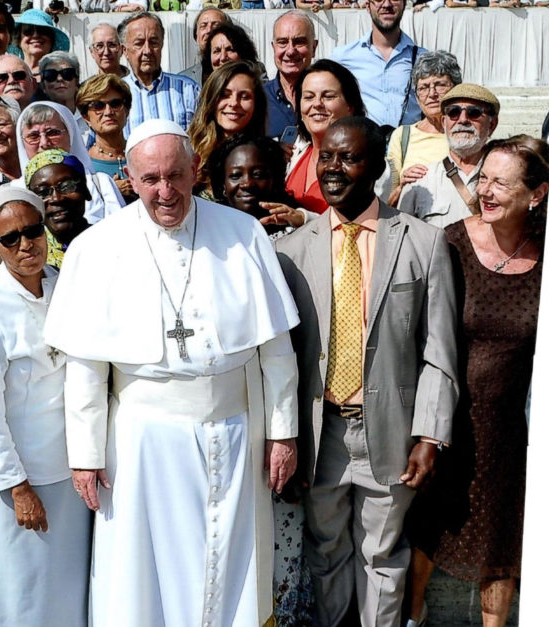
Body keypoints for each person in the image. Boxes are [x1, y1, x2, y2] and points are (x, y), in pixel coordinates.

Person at [44, 118, 300, 626]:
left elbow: (276, 350)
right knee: (143, 573)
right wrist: (86, 454)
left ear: (195, 169)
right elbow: (87, 368)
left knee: (230, 563)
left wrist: (283, 433)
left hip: (234, 433)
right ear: (129, 178)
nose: (165, 192)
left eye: (176, 176)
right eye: (151, 179)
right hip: (141, 445)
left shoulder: (243, 232)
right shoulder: (97, 248)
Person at [276, 116, 459, 627]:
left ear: (378, 166)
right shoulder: (291, 251)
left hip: (391, 431)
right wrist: (284, 436)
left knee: (382, 555)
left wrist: (430, 433)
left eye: (348, 157)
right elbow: (282, 359)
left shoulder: (423, 243)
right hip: (321, 432)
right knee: (326, 548)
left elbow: (439, 350)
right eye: (326, 157)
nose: (333, 169)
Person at [406, 135, 547, 627]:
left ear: (537, 194)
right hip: (448, 421)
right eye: (482, 177)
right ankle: (412, 617)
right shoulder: (450, 242)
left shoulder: (547, 254)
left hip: (513, 429)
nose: (484, 190)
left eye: (500, 183)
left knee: (502, 537)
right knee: (430, 527)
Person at [0, 186, 89, 626]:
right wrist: (17, 486)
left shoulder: (62, 283)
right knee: (17, 597)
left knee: (61, 592)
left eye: (33, 232)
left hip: (66, 470)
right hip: (14, 480)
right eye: (10, 238)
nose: (25, 245)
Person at [398, 84, 500, 229]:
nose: (463, 120)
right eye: (453, 112)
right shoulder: (419, 181)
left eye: (474, 113)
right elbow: (402, 239)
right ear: (444, 123)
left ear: (492, 124)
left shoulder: (507, 180)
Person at [331, 0, 421, 129]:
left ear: (404, 4)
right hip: (363, 149)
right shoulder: (342, 57)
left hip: (411, 150)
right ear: (368, 6)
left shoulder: (423, 58)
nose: (386, 4)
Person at [16, 101, 124, 222]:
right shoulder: (14, 192)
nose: (44, 143)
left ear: (71, 135)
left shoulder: (101, 184)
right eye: (34, 136)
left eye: (53, 133)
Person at [286, 59, 368, 214]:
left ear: (350, 106)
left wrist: (304, 219)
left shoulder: (365, 163)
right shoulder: (290, 157)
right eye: (309, 97)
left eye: (328, 96)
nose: (317, 104)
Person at [385, 50, 461, 206]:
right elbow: (387, 201)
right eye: (424, 87)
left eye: (440, 85)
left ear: (456, 89)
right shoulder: (402, 136)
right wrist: (403, 186)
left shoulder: (466, 132)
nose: (431, 94)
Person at [188, 61, 268, 198]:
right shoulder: (187, 149)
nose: (234, 103)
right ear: (211, 100)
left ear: (256, 104)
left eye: (244, 97)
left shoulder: (266, 155)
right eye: (225, 95)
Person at [211, 135, 305, 241]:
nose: (247, 184)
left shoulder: (297, 222)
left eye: (258, 174)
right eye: (236, 176)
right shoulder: (208, 225)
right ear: (223, 184)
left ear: (275, 178)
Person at [120, 12, 200, 136]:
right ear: (125, 51)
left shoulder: (188, 89)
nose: (147, 51)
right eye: (139, 43)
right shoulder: (115, 93)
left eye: (153, 42)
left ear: (162, 44)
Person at [24, 149, 93, 268]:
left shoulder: (112, 242)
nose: (56, 198)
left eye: (67, 186)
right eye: (43, 192)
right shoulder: (29, 260)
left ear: (85, 190)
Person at [80, 74, 135, 203]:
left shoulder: (143, 155)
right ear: (86, 117)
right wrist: (111, 192)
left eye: (115, 104)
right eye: (98, 106)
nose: (108, 112)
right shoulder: (85, 166)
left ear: (126, 111)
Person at [266, 11, 318, 139]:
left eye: (299, 42)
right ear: (273, 47)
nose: (290, 51)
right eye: (282, 42)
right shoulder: (256, 98)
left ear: (314, 47)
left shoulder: (329, 99)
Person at [12, 9, 69, 79]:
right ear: (18, 39)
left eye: (42, 30)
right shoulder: (9, 73)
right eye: (28, 30)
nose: (35, 35)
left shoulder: (64, 74)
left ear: (51, 39)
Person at [179, 7, 230, 83]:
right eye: (203, 25)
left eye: (216, 25)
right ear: (196, 36)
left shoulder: (246, 77)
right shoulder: (182, 80)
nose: (209, 30)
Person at [38, 51, 85, 131]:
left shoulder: (92, 117)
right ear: (44, 86)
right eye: (51, 75)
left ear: (76, 82)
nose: (60, 79)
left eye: (67, 74)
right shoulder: (37, 123)